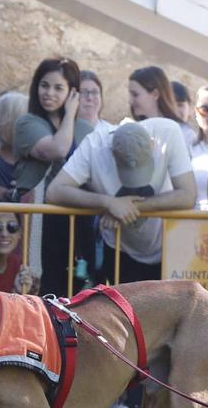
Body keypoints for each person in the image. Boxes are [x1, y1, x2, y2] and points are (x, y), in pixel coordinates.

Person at [49, 120, 196, 285]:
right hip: (120, 251)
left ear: (153, 145)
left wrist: (126, 208)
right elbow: (54, 191)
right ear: (112, 154)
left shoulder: (168, 131)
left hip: (169, 250)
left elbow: (188, 195)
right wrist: (108, 203)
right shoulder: (94, 144)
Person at [11, 57, 92, 296]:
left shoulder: (85, 129)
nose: (49, 93)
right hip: (37, 219)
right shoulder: (28, 123)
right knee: (40, 289)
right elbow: (57, 149)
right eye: (44, 85)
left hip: (75, 222)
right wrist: (70, 115)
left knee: (76, 290)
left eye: (59, 88)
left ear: (72, 92)